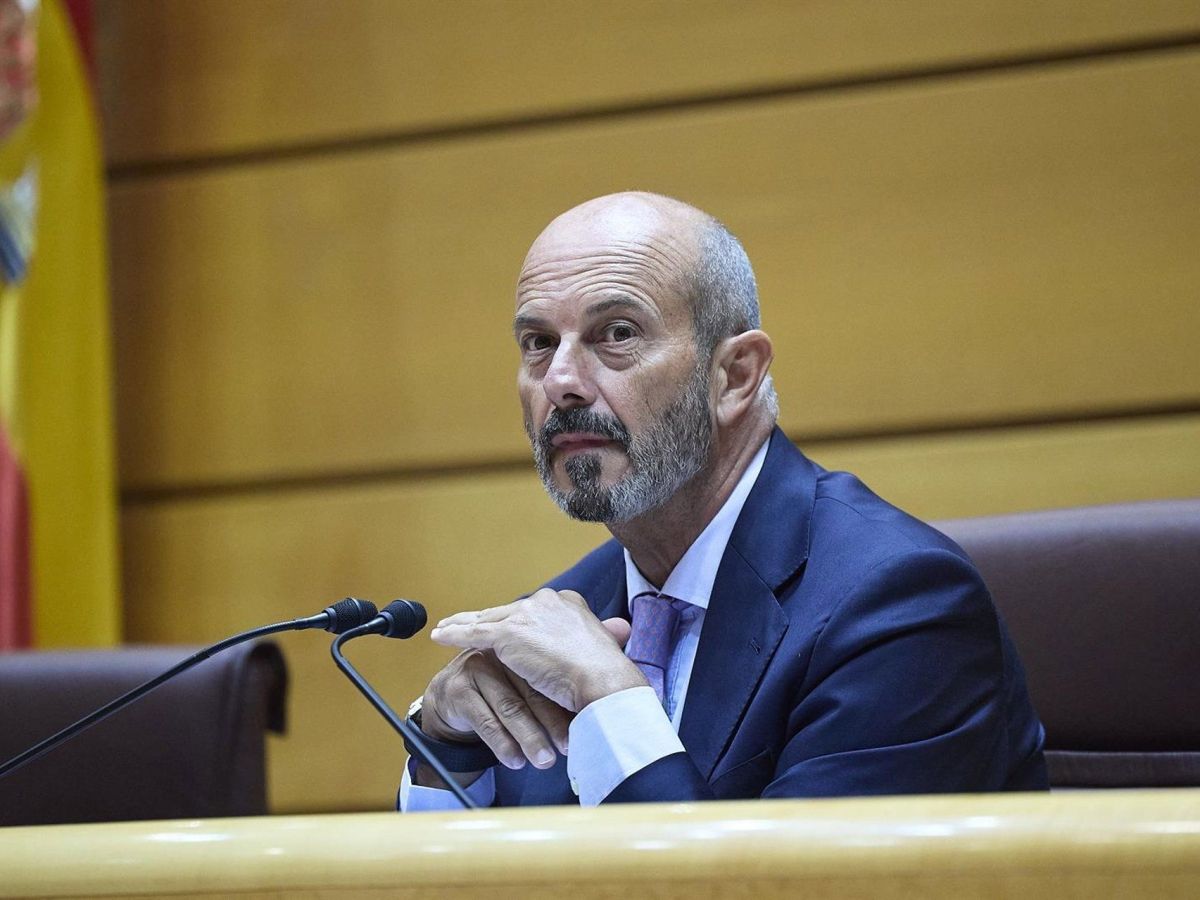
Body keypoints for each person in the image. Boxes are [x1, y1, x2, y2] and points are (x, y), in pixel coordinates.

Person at [399, 191, 1047, 810]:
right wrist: (448, 752)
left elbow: (789, 877)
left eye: (616, 333)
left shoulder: (900, 608)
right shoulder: (566, 613)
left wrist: (611, 700)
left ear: (735, 375)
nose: (561, 382)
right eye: (539, 344)